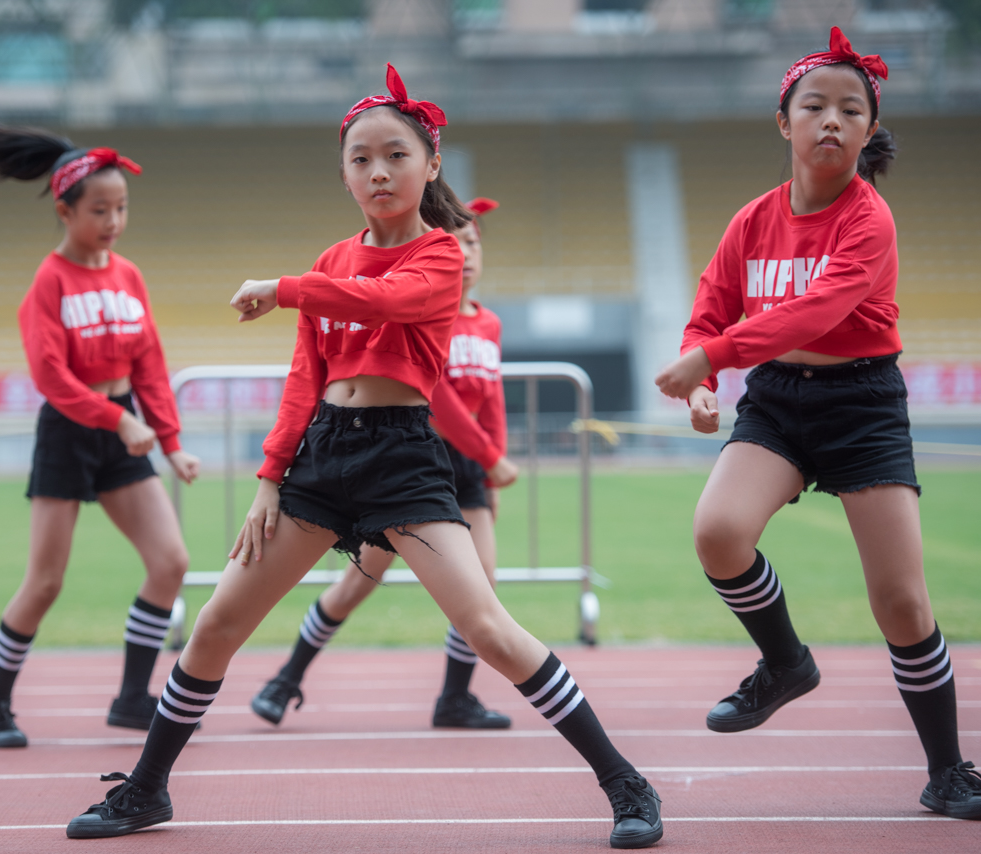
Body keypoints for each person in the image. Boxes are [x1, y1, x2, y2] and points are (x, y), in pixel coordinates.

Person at [65, 65, 664, 849]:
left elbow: (386, 301)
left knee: (487, 625)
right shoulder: (332, 259)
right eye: (360, 159)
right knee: (216, 625)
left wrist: (288, 287)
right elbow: (305, 377)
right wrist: (269, 480)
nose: (378, 172)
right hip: (321, 459)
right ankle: (145, 792)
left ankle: (626, 783)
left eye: (396, 156)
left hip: (403, 460)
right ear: (344, 171)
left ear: (431, 164)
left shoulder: (443, 256)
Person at [654, 28, 981, 822]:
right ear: (784, 122)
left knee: (901, 602)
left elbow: (813, 312)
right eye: (814, 105)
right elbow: (709, 309)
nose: (832, 121)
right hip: (778, 399)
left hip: (863, 404)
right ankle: (785, 665)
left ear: (868, 130)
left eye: (853, 110)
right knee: (717, 532)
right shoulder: (752, 221)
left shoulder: (868, 221)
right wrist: (702, 377)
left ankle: (947, 771)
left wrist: (711, 353)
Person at [0, 122, 201, 749]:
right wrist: (120, 419)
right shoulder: (50, 283)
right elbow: (54, 380)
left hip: (125, 436)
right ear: (65, 211)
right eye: (100, 210)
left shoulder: (128, 276)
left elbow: (148, 361)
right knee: (45, 582)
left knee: (171, 562)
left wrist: (171, 443)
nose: (114, 220)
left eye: (121, 208)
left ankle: (130, 698)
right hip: (70, 433)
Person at [249, 197, 522, 731]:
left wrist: (492, 460)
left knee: (481, 589)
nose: (466, 254)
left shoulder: (488, 323)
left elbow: (491, 401)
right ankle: (286, 677)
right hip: (412, 457)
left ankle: (455, 697)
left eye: (474, 244)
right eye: (458, 242)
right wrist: (491, 454)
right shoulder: (420, 310)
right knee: (357, 582)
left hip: (464, 471)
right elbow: (436, 400)